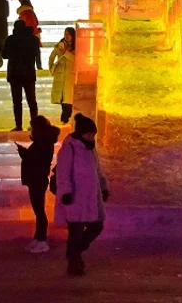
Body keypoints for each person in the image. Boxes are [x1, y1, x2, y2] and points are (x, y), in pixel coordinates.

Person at [57, 114, 109, 277]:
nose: (91, 137)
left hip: (91, 195)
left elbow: (97, 169)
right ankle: (73, 264)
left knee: (97, 226)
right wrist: (66, 191)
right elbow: (63, 171)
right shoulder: (70, 146)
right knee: (76, 230)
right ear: (81, 132)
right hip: (75, 196)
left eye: (93, 134)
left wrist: (103, 186)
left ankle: (75, 253)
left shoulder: (90, 146)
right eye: (89, 134)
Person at [16, 115, 61, 253]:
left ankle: (42, 240)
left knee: (40, 212)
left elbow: (37, 161)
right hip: (36, 179)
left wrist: (24, 154)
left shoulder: (43, 143)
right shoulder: (44, 142)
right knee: (38, 211)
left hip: (37, 179)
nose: (31, 130)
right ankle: (38, 238)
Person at [2, 20, 41, 131]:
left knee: (17, 101)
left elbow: (4, 55)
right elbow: (36, 54)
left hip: (14, 75)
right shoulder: (33, 39)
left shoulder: (10, 39)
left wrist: (14, 53)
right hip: (28, 74)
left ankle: (18, 125)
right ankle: (35, 125)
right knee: (32, 100)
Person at [49, 27, 76, 124]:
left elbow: (76, 60)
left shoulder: (77, 46)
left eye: (68, 34)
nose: (66, 36)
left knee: (69, 97)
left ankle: (67, 117)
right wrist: (52, 68)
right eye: (65, 34)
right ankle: (65, 117)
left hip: (70, 75)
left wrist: (66, 53)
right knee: (62, 98)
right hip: (60, 75)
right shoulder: (59, 45)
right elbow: (51, 57)